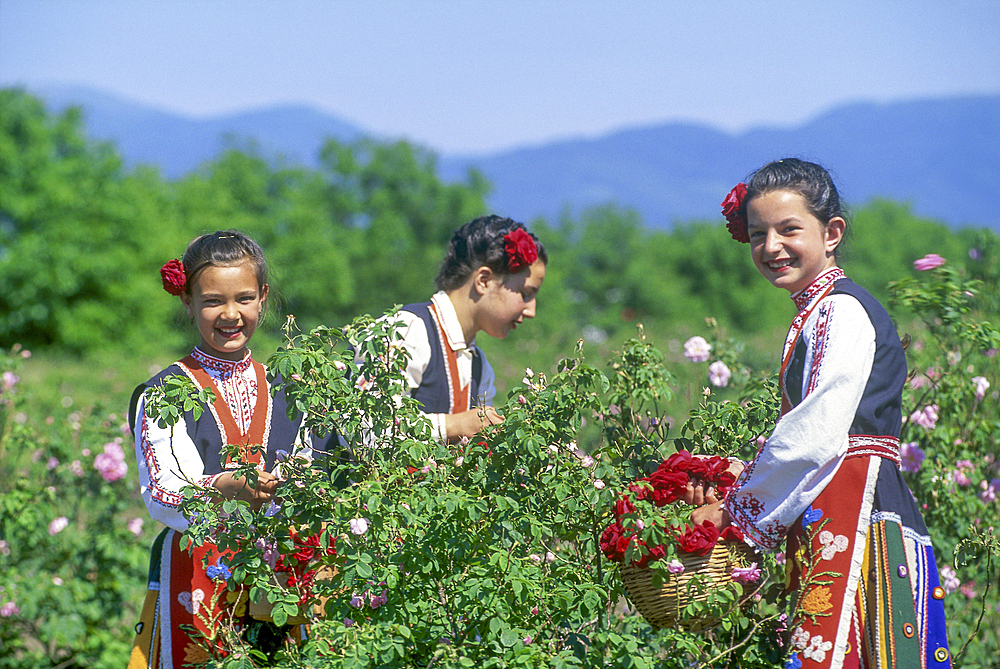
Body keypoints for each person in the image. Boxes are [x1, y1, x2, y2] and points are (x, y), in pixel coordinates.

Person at [693, 159, 951, 668]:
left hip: (858, 510)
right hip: (842, 502)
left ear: (832, 232)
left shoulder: (840, 310)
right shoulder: (818, 310)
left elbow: (816, 434)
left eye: (790, 229)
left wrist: (735, 511)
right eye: (758, 234)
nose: (771, 247)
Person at [128, 230, 327, 668]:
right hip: (197, 576)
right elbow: (162, 491)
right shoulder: (164, 393)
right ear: (188, 302)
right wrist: (224, 486)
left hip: (281, 575)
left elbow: (311, 471)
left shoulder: (290, 388)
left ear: (263, 298)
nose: (230, 314)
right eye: (213, 300)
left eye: (244, 298)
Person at [364, 215, 546, 442]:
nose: (531, 311)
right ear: (484, 280)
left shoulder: (480, 368)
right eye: (525, 293)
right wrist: (452, 425)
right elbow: (364, 430)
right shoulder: (405, 331)